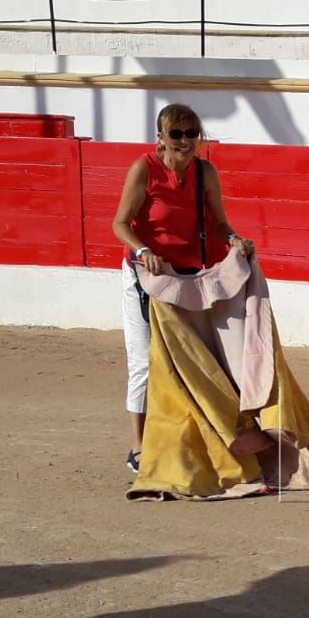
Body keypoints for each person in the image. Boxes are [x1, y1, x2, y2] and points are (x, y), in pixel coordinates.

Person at [111, 103, 255, 473]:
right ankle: (138, 447)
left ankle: (200, 437)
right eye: (176, 134)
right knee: (145, 362)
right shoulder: (144, 169)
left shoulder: (205, 172)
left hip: (190, 279)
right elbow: (121, 224)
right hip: (146, 278)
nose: (185, 141)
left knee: (199, 360)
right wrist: (143, 250)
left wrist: (236, 239)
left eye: (192, 133)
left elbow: (220, 223)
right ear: (160, 137)